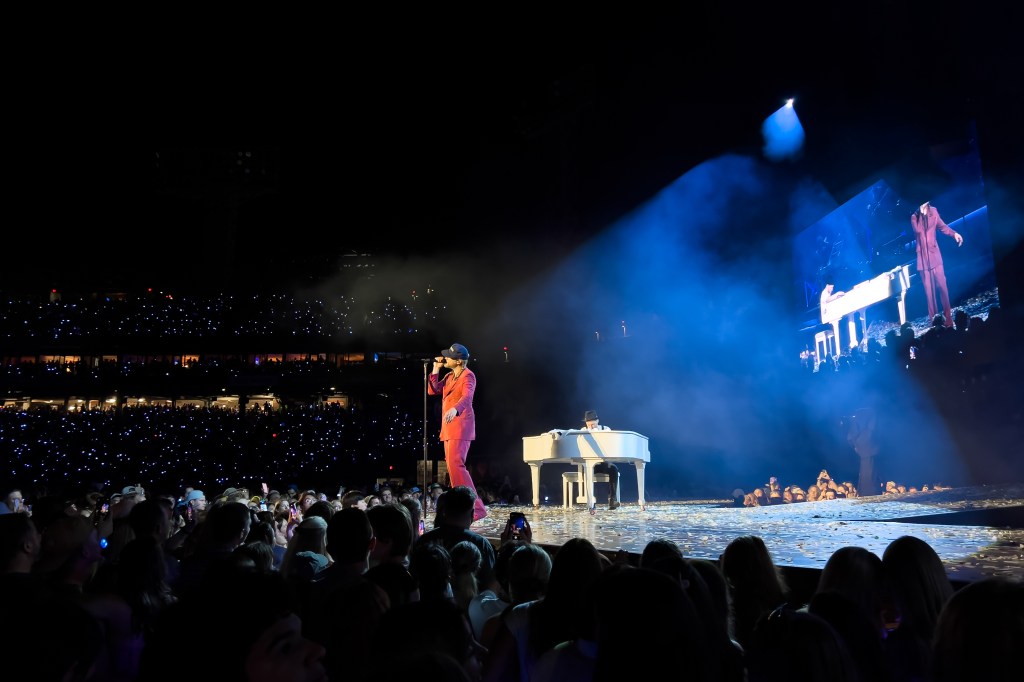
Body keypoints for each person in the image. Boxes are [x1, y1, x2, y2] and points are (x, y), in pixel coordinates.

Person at [430, 342, 487, 523]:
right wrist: (435, 369)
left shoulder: (468, 376)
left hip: (460, 425)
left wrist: (455, 408)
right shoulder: (448, 376)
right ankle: (463, 506)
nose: (445, 358)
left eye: (449, 356)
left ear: (459, 361)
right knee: (452, 468)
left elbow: (467, 397)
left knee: (457, 465)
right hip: (448, 427)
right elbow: (432, 390)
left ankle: (476, 508)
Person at [911, 200, 963, 328]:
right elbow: (918, 230)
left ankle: (948, 320)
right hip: (923, 260)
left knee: (943, 288)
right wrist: (921, 213)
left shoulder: (933, 211)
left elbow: (942, 226)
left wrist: (954, 234)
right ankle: (935, 323)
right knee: (930, 294)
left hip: (935, 255)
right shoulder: (914, 217)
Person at [582, 410, 620, 510]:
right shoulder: (583, 430)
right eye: (589, 425)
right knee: (586, 471)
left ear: (597, 421)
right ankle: (591, 501)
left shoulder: (605, 429)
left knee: (613, 469)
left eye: (593, 425)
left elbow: (610, 443)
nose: (591, 427)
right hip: (589, 463)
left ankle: (612, 500)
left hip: (602, 462)